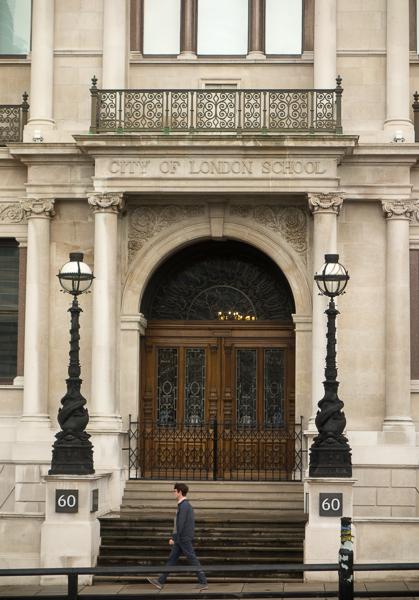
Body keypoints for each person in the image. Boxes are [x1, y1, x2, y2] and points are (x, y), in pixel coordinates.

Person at [146, 482, 208, 590]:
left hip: (183, 538)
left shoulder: (184, 505)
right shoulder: (183, 505)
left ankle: (203, 582)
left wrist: (174, 538)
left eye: (175, 491)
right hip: (181, 538)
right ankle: (160, 581)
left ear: (179, 492)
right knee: (172, 559)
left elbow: (181, 524)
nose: (173, 493)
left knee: (192, 559)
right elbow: (179, 524)